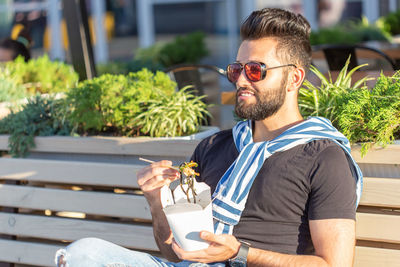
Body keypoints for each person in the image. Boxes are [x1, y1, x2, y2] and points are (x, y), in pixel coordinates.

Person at [55, 7, 362, 267]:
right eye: (236, 69)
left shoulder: (324, 157)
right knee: (83, 254)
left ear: (294, 77)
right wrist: (156, 204)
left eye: (255, 70)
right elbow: (176, 251)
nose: (241, 80)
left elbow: (332, 264)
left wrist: (240, 252)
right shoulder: (215, 146)